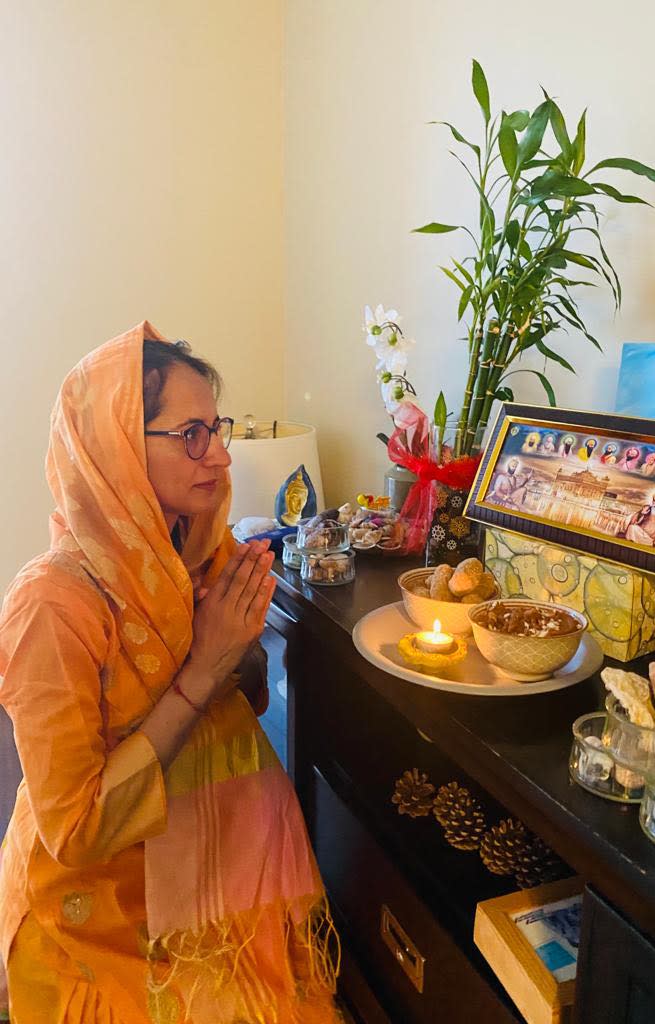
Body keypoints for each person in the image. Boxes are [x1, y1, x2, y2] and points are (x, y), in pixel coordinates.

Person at [0, 323, 340, 1023]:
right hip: (100, 908)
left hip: (215, 873)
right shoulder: (51, 606)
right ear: (117, 450)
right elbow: (78, 829)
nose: (219, 454)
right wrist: (205, 665)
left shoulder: (196, 554)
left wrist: (238, 647)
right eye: (190, 434)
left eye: (218, 428)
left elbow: (239, 701)